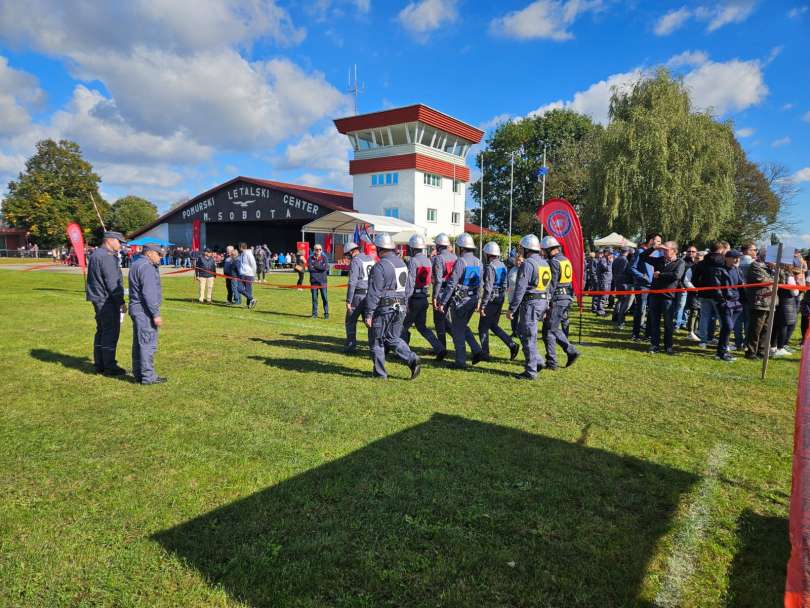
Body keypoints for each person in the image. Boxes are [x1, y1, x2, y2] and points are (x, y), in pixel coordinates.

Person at [364, 233, 421, 380]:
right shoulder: (402, 263)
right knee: (393, 338)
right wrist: (405, 303)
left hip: (384, 308)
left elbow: (374, 292)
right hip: (400, 306)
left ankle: (380, 373)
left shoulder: (379, 266)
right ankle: (412, 359)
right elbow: (408, 288)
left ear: (379, 248)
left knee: (377, 340)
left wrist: (369, 313)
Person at [507, 234, 552, 380]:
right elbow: (547, 287)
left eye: (521, 248)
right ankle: (537, 361)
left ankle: (531, 370)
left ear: (526, 249)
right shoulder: (544, 263)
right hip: (541, 302)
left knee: (526, 336)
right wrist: (546, 306)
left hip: (531, 303)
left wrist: (512, 308)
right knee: (528, 334)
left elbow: (520, 288)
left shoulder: (528, 264)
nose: (520, 251)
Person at [435, 233, 483, 369]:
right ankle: (477, 350)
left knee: (457, 331)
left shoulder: (461, 262)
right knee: (463, 327)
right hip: (473, 299)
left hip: (462, 300)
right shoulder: (479, 262)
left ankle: (460, 361)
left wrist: (443, 302)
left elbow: (452, 284)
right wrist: (478, 299)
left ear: (461, 248)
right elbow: (481, 283)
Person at [85, 231, 127, 376]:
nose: (121, 245)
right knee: (110, 333)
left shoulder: (97, 254)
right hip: (107, 300)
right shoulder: (107, 257)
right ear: (110, 240)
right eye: (119, 242)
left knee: (101, 332)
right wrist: (120, 302)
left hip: (98, 298)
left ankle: (100, 364)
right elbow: (112, 282)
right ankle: (109, 366)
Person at [401, 234, 445, 358]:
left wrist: (406, 301)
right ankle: (439, 347)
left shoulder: (413, 261)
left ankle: (404, 352)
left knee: (402, 327)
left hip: (414, 298)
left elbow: (410, 283)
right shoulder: (428, 261)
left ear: (413, 248)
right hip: (423, 298)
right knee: (422, 327)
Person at [128, 243, 166, 384]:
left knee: (139, 344)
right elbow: (149, 293)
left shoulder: (137, 264)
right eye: (159, 254)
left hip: (137, 309)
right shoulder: (147, 267)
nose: (161, 257)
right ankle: (148, 376)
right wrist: (155, 314)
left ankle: (139, 374)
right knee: (147, 344)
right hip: (144, 311)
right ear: (150, 253)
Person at [541, 236, 580, 369]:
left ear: (551, 250)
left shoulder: (554, 262)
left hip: (557, 299)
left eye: (545, 250)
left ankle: (556, 359)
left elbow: (552, 284)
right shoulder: (565, 260)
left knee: (549, 331)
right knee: (551, 328)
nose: (543, 253)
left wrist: (546, 302)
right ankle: (564, 354)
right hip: (566, 298)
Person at [478, 241, 519, 362]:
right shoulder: (502, 265)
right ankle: (511, 344)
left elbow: (488, 287)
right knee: (492, 325)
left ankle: (485, 353)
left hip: (491, 300)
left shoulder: (491, 267)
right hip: (500, 298)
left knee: (482, 327)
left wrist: (483, 304)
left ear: (488, 254)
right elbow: (505, 284)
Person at [641, 240, 685, 355]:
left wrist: (660, 275)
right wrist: (654, 248)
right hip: (655, 296)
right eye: (663, 249)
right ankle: (654, 345)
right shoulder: (659, 260)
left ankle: (668, 346)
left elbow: (676, 276)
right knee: (654, 322)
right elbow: (643, 256)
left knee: (668, 324)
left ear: (674, 251)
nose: (664, 251)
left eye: (666, 249)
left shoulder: (680, 263)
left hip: (668, 298)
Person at [708, 250, 744, 361]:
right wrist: (723, 300)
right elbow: (716, 287)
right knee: (728, 326)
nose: (737, 260)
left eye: (738, 258)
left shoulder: (737, 270)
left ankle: (721, 351)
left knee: (727, 328)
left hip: (736, 303)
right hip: (725, 302)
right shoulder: (718, 270)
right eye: (734, 257)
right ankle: (722, 352)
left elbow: (740, 284)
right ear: (727, 258)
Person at [344, 241, 374, 353]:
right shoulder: (370, 258)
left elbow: (352, 282)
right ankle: (374, 347)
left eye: (347, 254)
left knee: (350, 321)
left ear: (352, 252)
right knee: (370, 322)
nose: (347, 257)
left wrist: (348, 300)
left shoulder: (356, 261)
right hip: (370, 294)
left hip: (358, 295)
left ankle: (351, 347)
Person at [630, 234, 661, 340]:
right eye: (658, 241)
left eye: (660, 241)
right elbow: (632, 268)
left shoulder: (658, 253)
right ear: (651, 241)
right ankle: (635, 334)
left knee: (652, 310)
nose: (659, 243)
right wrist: (643, 276)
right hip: (643, 286)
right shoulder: (640, 251)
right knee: (640, 310)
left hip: (655, 286)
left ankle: (648, 334)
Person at [745, 254, 776, 360]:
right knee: (756, 329)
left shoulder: (773, 268)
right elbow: (761, 280)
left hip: (771, 302)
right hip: (759, 302)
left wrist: (777, 269)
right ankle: (751, 352)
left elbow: (781, 280)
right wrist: (773, 278)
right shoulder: (756, 265)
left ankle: (761, 351)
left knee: (766, 329)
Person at [431, 233, 457, 353]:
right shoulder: (455, 257)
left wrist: (435, 296)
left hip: (442, 292)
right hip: (452, 292)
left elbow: (438, 280)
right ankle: (458, 341)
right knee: (446, 321)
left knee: (439, 321)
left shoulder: (438, 258)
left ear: (439, 245)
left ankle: (441, 348)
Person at [611, 247, 634, 329]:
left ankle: (615, 316)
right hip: (623, 282)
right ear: (627, 252)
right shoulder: (624, 260)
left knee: (620, 300)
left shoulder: (616, 259)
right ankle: (619, 319)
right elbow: (625, 272)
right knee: (623, 301)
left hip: (617, 281)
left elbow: (613, 270)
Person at [235, 242, 257, 309]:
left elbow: (253, 264)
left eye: (239, 247)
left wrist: (253, 275)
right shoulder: (242, 254)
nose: (238, 248)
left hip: (248, 275)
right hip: (242, 274)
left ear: (241, 247)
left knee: (248, 290)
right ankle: (252, 299)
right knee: (239, 289)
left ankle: (248, 305)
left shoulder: (249, 254)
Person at [309, 244, 329, 318]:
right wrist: (320, 268)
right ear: (314, 250)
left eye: (320, 249)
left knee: (325, 298)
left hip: (323, 281)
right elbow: (310, 269)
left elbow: (325, 268)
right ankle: (314, 314)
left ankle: (326, 313)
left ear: (321, 250)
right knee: (314, 298)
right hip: (314, 281)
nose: (318, 251)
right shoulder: (310, 258)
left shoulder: (324, 258)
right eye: (317, 249)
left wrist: (315, 266)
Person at [592, 249, 613, 316]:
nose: (611, 255)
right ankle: (600, 311)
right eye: (609, 253)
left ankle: (600, 310)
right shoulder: (603, 260)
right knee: (603, 296)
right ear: (606, 253)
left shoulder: (605, 260)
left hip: (607, 280)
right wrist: (610, 262)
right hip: (604, 281)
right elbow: (607, 269)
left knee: (605, 296)